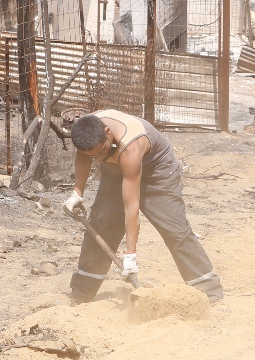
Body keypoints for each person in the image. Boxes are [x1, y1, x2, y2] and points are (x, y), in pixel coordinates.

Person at [64, 111, 224, 303]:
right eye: (94, 155)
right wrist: (77, 193)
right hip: (116, 173)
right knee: (102, 224)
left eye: (102, 150)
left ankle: (208, 291)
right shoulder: (86, 132)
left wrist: (130, 256)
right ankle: (82, 292)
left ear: (108, 133)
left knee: (175, 229)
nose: (99, 158)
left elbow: (131, 207)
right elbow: (83, 158)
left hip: (158, 172)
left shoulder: (130, 145)